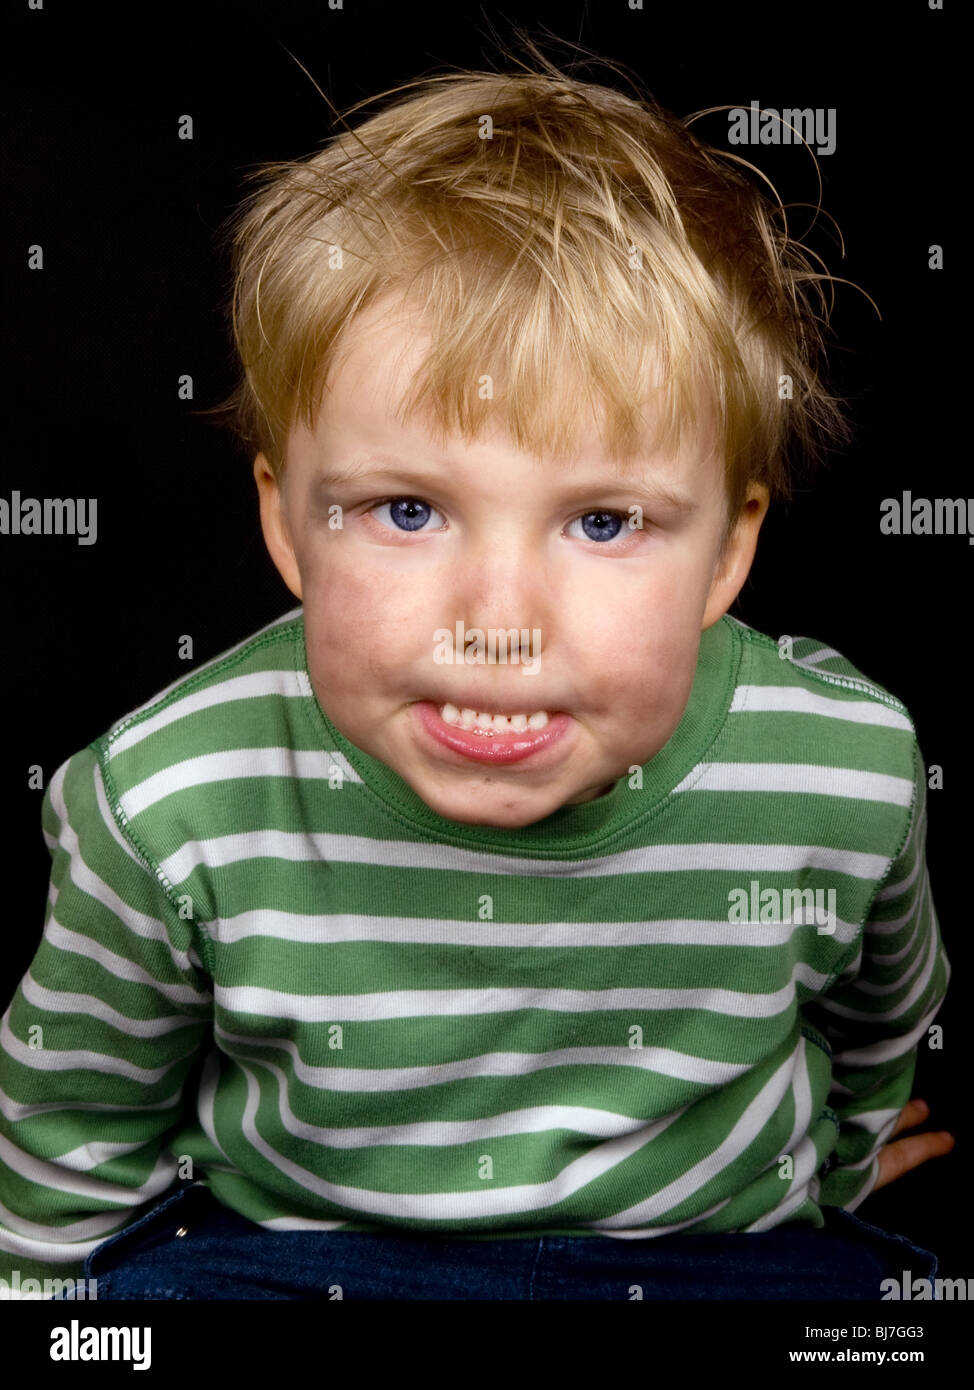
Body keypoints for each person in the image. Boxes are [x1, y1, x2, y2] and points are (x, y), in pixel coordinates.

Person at [0, 54, 954, 1301]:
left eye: (603, 522)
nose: (499, 625)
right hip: (298, 1263)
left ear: (727, 548)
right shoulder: (168, 801)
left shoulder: (841, 767)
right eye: (407, 509)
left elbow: (882, 1011)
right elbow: (76, 1124)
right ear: (287, 525)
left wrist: (837, 1160)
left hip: (705, 1257)